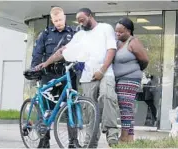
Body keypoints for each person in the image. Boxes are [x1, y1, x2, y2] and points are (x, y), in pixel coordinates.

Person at [36, 8, 119, 148]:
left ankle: (112, 136)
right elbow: (62, 52)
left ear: (90, 16)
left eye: (82, 19)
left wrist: (102, 70)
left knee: (107, 96)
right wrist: (46, 63)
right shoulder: (79, 35)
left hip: (105, 73)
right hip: (87, 77)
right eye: (78, 20)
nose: (80, 22)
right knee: (90, 111)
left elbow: (112, 49)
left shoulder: (105, 28)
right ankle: (90, 144)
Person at [31, 7, 78, 148]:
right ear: (52, 20)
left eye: (60, 19)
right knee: (45, 108)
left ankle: (73, 142)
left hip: (68, 74)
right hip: (49, 75)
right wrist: (35, 70)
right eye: (56, 20)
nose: (58, 22)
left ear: (64, 17)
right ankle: (44, 140)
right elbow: (37, 53)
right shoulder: (45, 34)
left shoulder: (73, 33)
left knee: (72, 107)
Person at [113, 17, 149, 143]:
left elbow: (144, 60)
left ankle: (123, 137)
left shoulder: (133, 42)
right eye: (116, 31)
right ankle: (130, 139)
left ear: (129, 31)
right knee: (127, 108)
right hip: (119, 79)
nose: (117, 33)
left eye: (120, 32)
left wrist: (132, 70)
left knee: (125, 108)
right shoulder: (117, 43)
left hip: (130, 78)